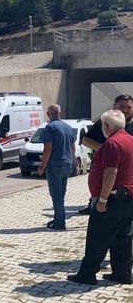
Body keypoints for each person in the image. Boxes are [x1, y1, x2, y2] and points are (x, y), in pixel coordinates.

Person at [67, 110, 133, 285]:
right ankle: (122, 273)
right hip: (127, 199)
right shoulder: (130, 140)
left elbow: (111, 171)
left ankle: (87, 274)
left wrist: (102, 200)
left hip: (112, 199)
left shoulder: (113, 143)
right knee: (123, 238)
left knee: (97, 237)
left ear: (106, 126)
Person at [78, 94, 133, 215]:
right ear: (114, 107)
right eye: (121, 106)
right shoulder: (106, 121)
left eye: (128, 107)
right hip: (105, 179)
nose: (125, 110)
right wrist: (106, 149)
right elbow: (86, 140)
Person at [38, 104, 76, 230]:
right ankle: (58, 218)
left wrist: (42, 166)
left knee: (56, 195)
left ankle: (60, 223)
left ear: (48, 115)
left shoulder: (50, 127)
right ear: (60, 113)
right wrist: (73, 162)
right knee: (61, 194)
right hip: (67, 164)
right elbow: (73, 148)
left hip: (55, 165)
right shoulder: (68, 127)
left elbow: (47, 149)